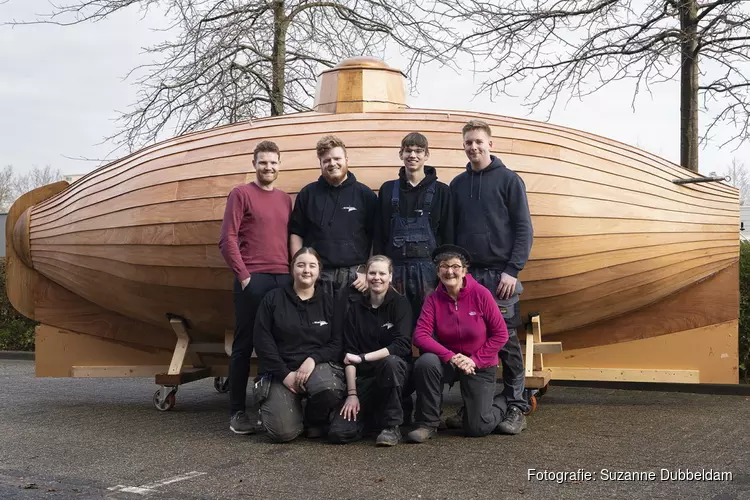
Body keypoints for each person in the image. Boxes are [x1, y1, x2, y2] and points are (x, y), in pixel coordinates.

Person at [448, 119, 534, 435]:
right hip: (469, 277)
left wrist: (513, 270)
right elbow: (453, 233)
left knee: (506, 342)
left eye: (478, 142)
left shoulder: (510, 181)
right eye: (468, 142)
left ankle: (515, 406)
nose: (473, 147)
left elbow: (524, 229)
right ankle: (474, 403)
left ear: (490, 144)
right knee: (469, 340)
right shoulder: (457, 185)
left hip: (501, 278)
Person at [218, 140, 293, 435]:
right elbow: (227, 239)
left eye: (273, 162)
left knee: (275, 346)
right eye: (263, 162)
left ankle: (269, 408)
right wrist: (244, 276)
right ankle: (237, 412)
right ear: (254, 164)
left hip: (283, 279)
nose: (268, 167)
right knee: (244, 345)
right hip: (253, 279)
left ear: (279, 165)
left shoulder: (285, 199)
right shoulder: (241, 194)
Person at [407, 245, 510, 443]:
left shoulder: (481, 294)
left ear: (464, 270)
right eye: (444, 266)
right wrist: (451, 356)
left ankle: (503, 403)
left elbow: (501, 334)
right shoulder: (433, 299)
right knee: (426, 362)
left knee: (478, 428)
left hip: (479, 364)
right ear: (438, 271)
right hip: (451, 362)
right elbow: (420, 335)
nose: (450, 271)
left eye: (455, 266)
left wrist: (475, 360)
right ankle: (427, 423)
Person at [252, 247, 346, 443]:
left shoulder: (331, 302)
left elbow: (337, 344)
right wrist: (285, 375)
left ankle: (314, 419)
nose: (306, 270)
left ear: (319, 270)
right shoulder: (273, 299)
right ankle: (287, 410)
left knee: (330, 389)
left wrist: (313, 359)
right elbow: (262, 342)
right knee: (282, 433)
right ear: (292, 269)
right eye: (301, 265)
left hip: (317, 367)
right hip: (281, 370)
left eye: (312, 266)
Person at [328, 255, 413, 447]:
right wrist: (352, 394)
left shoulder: (400, 304)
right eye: (372, 273)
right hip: (364, 380)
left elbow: (401, 346)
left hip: (396, 376)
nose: (377, 277)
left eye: (382, 273)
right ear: (366, 276)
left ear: (390, 276)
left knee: (390, 362)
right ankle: (371, 418)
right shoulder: (355, 309)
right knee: (338, 434)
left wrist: (363, 357)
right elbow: (349, 354)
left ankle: (392, 427)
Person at [373, 132, 454, 324]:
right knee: (395, 326)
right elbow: (380, 236)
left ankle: (430, 355)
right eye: (408, 151)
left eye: (418, 151)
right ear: (400, 154)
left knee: (431, 328)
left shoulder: (442, 191)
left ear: (427, 155)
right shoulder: (387, 190)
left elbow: (448, 236)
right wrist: (380, 272)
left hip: (429, 274)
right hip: (395, 272)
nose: (413, 155)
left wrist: (445, 275)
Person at [289, 135, 378, 298]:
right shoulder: (308, 194)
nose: (332, 163)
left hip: (356, 277)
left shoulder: (365, 195)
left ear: (346, 159)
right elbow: (296, 233)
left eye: (337, 158)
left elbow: (376, 237)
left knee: (353, 324)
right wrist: (300, 270)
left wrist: (368, 272)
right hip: (317, 277)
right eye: (326, 160)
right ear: (321, 164)